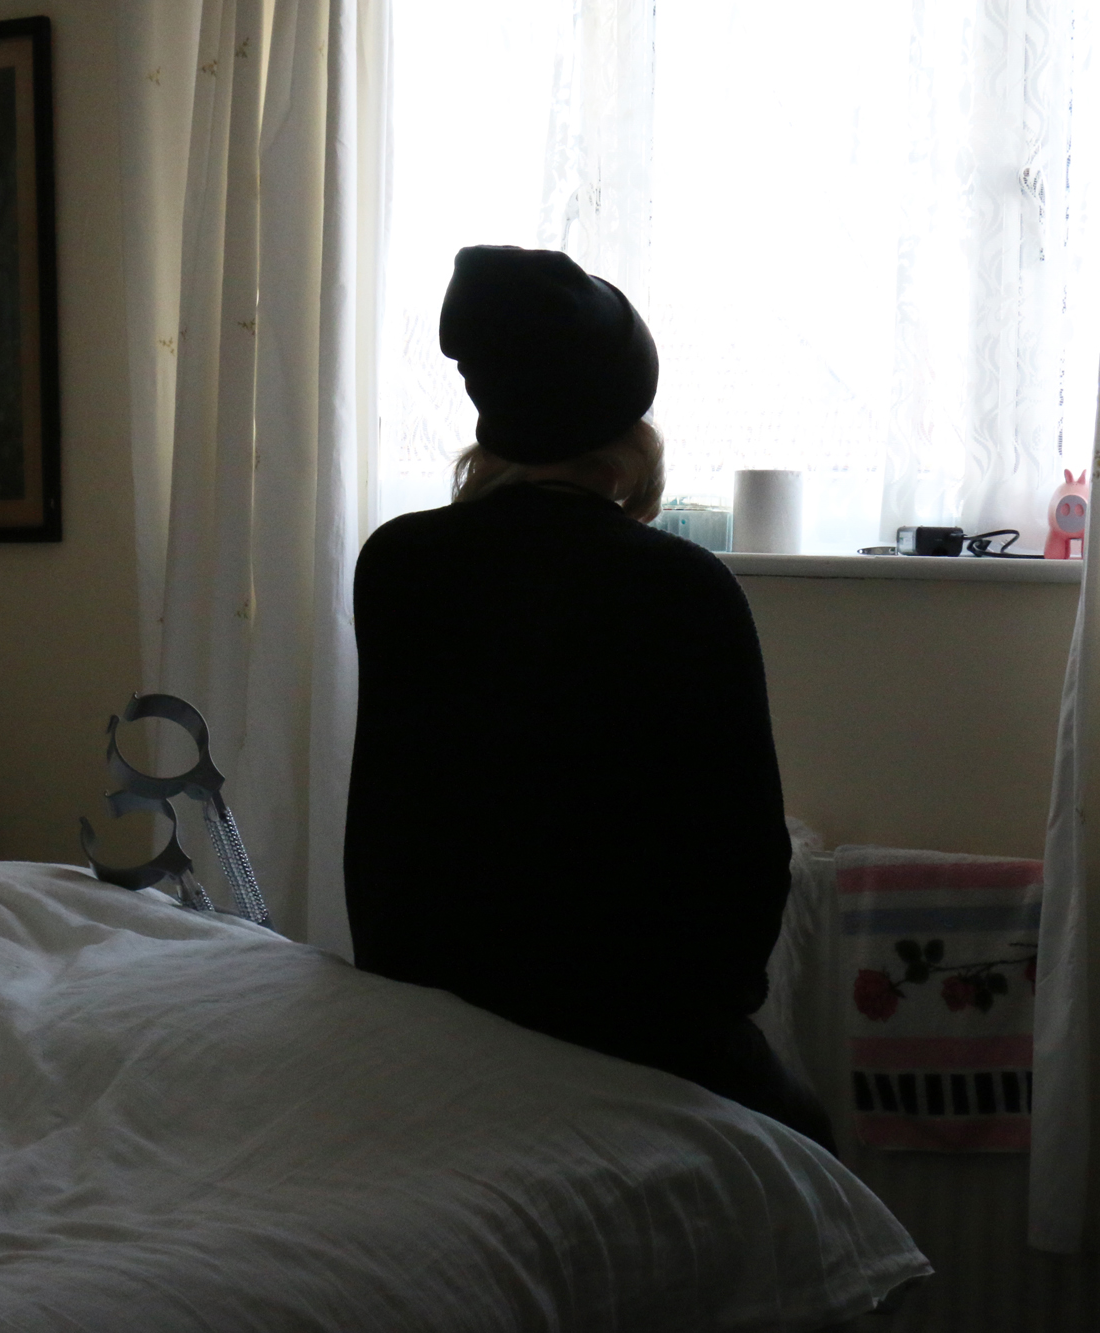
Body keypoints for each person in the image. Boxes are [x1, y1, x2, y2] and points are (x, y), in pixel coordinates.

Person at [344, 245, 833, 1150]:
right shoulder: (684, 585)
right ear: (627, 432)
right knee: (813, 1155)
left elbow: (391, 824)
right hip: (640, 1026)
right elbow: (744, 859)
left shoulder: (396, 563)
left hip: (436, 1012)